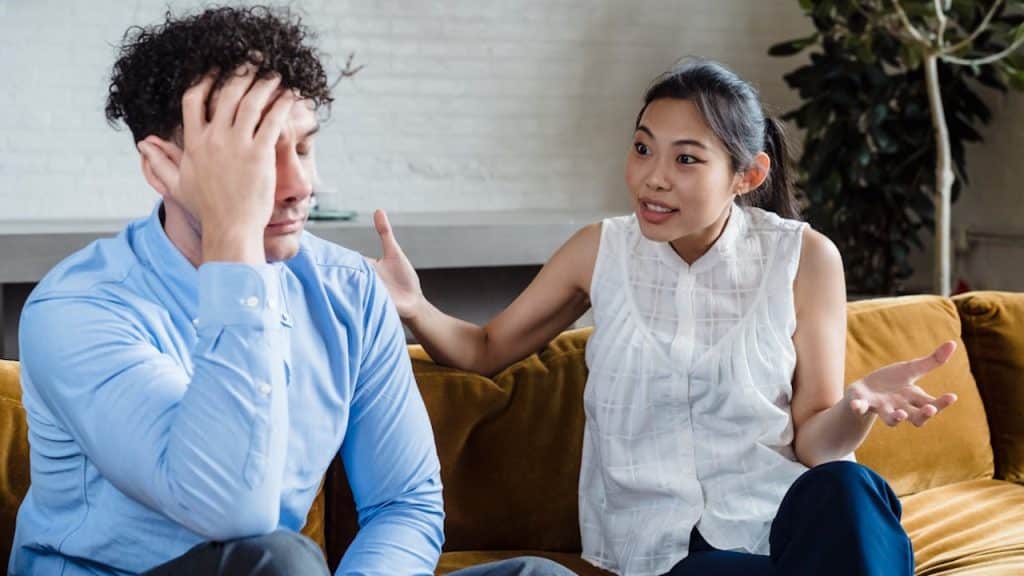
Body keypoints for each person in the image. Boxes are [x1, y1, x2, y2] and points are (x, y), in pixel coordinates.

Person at [10, 6, 572, 576]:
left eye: (302, 148)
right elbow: (230, 511)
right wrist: (234, 240)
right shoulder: (76, 310)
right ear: (162, 167)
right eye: (257, 156)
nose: (302, 185)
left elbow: (404, 504)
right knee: (278, 561)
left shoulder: (348, 290)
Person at [369, 59, 959, 576]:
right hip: (666, 557)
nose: (653, 176)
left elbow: (815, 443)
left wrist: (855, 406)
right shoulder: (599, 250)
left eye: (686, 159)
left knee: (848, 487)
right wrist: (414, 306)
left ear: (747, 176)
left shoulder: (803, 258)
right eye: (643, 147)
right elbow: (485, 348)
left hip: (781, 527)